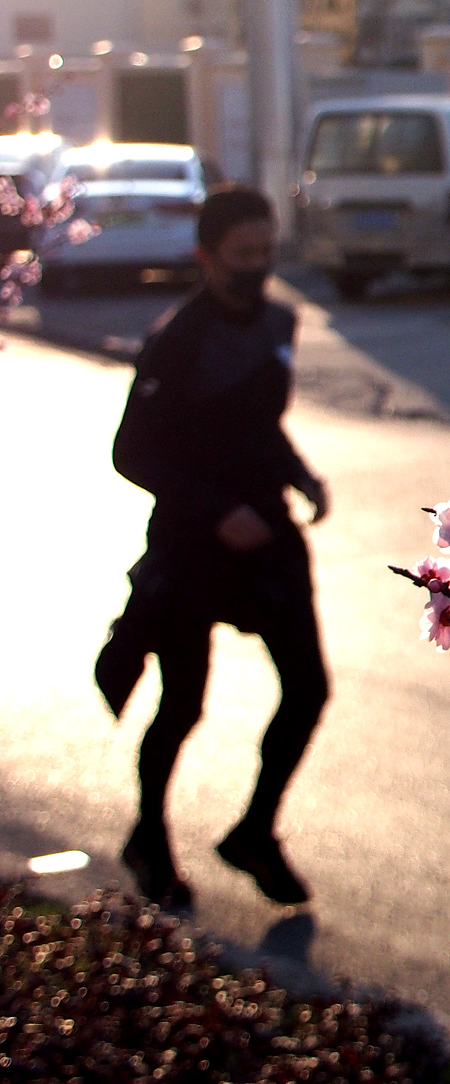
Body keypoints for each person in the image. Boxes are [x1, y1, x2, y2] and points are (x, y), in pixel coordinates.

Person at [98, 185, 330, 908]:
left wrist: (300, 475)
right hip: (193, 543)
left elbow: (260, 422)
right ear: (206, 257)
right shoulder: (177, 338)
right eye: (241, 256)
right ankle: (148, 836)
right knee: (182, 703)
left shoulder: (281, 321)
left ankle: (254, 831)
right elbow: (131, 451)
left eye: (266, 252)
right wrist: (212, 508)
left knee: (309, 687)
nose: (257, 267)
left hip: (267, 534)